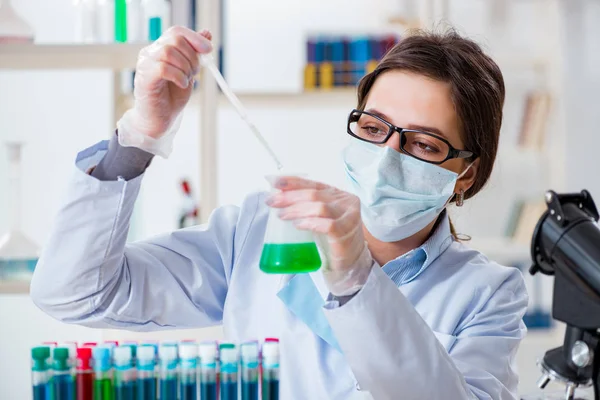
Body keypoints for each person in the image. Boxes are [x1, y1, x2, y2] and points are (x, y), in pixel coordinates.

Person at [31, 26, 528, 400]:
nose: (388, 157)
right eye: (375, 128)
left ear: (465, 173)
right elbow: (74, 294)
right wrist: (141, 132)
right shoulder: (259, 229)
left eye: (423, 143)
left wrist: (356, 279)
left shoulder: (488, 296)